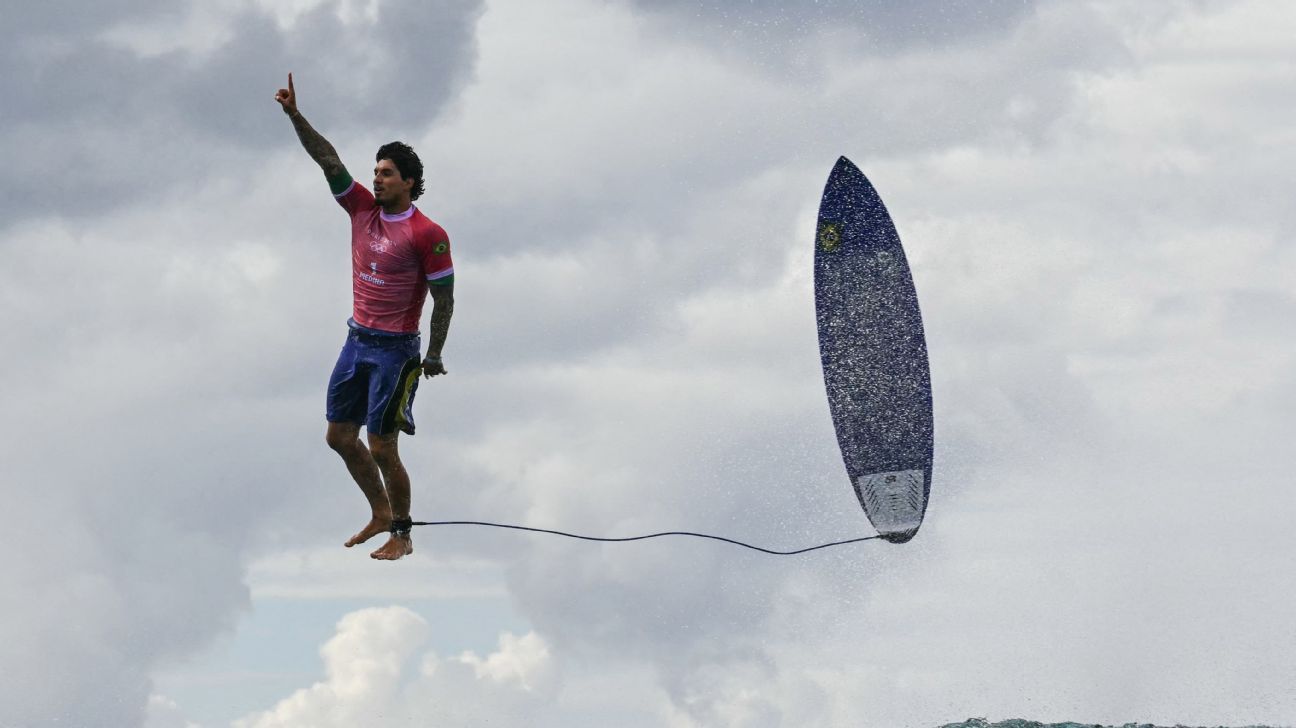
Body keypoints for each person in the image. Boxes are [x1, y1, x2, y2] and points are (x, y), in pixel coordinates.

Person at [274, 73, 455, 561]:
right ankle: (378, 511)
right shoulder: (360, 209)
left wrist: (434, 353)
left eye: (387, 173)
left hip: (396, 351)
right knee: (338, 437)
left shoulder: (427, 233)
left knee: (382, 445)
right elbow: (327, 158)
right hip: (357, 341)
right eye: (375, 172)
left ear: (410, 182)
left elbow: (445, 297)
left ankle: (402, 532)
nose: (376, 179)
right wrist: (294, 116)